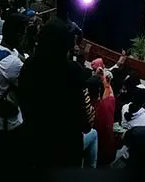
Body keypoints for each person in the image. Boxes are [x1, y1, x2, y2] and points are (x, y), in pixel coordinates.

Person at [17, 18, 93, 168]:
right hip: (67, 150)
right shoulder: (74, 71)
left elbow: (24, 103)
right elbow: (87, 119)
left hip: (36, 145)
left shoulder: (28, 67)